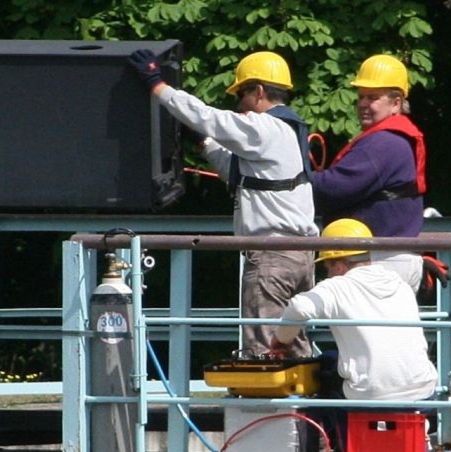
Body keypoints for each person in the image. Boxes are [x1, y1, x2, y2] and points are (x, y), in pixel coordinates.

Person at [128, 48, 318, 357]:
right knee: (292, 348)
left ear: (258, 91)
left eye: (240, 95)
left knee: (265, 350)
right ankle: (301, 404)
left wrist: (158, 86)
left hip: (272, 257)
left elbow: (209, 118)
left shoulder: (264, 127)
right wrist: (203, 143)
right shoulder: (287, 131)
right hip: (298, 257)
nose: (239, 105)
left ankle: (267, 406)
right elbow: (242, 172)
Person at [274, 218, 438, 401]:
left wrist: (281, 340)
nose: (327, 274)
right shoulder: (400, 284)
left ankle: (324, 430)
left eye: (328, 267)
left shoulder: (337, 286)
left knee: (321, 375)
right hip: (424, 391)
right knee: (331, 358)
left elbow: (299, 308)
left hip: (370, 394)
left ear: (339, 264)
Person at [311, 54, 426, 293]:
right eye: (361, 96)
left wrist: (296, 181)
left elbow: (335, 188)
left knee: (367, 331)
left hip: (381, 261)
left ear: (396, 103)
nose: (363, 103)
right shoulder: (392, 139)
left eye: (373, 97)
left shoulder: (384, 143)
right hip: (388, 258)